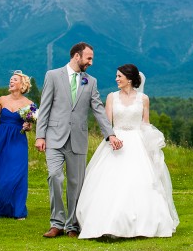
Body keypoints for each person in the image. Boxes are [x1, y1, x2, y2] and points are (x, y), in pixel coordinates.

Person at [76, 64, 179, 238]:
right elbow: (107, 123)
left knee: (140, 182)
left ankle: (142, 224)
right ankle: (108, 224)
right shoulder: (111, 97)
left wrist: (153, 141)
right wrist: (112, 137)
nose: (116, 79)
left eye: (119, 76)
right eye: (116, 76)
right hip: (116, 141)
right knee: (111, 182)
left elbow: (145, 123)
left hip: (137, 142)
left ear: (129, 79)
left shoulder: (143, 99)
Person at [35, 42, 122, 238]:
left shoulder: (91, 82)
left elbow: (98, 109)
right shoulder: (53, 75)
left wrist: (110, 133)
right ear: (76, 56)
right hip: (54, 138)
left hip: (78, 139)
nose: (91, 62)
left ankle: (72, 225)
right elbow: (45, 106)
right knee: (55, 177)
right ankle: (56, 222)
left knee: (76, 184)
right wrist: (40, 135)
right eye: (88, 58)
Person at [0, 70, 35, 219]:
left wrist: (28, 127)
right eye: (11, 79)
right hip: (2, 139)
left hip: (18, 140)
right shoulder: (2, 99)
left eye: (14, 80)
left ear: (22, 85)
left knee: (17, 174)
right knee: (0, 173)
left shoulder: (29, 104)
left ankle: (18, 210)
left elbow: (30, 125)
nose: (11, 81)